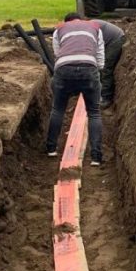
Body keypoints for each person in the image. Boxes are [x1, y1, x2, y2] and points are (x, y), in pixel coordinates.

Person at [45, 12, 105, 165]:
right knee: (94, 113)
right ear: (81, 19)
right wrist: (94, 72)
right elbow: (100, 58)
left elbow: (58, 53)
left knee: (58, 109)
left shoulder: (59, 29)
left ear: (67, 22)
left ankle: (51, 149)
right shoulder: (95, 27)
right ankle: (96, 157)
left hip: (64, 69)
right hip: (89, 68)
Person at [93, 19, 124, 108]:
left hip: (115, 39)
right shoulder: (84, 29)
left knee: (106, 67)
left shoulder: (89, 29)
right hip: (106, 40)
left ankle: (106, 97)